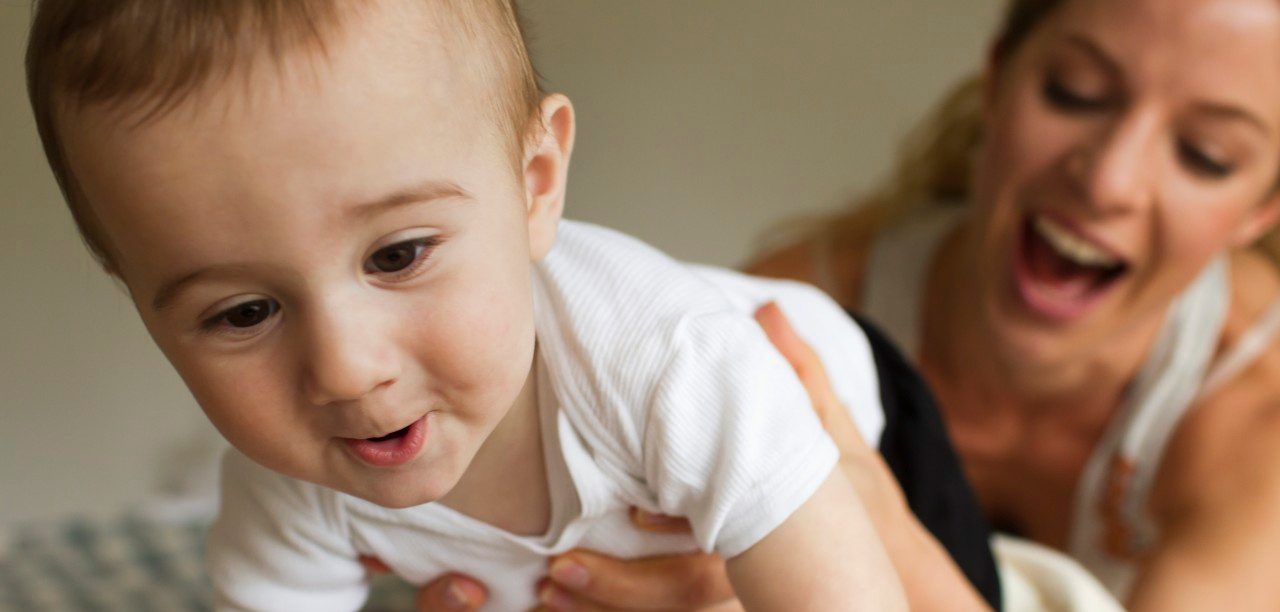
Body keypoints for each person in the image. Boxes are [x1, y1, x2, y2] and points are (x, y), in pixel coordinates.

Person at [25, 0, 910, 610]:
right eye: (244, 313)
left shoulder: (666, 364)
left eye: (397, 256)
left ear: (535, 185)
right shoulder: (290, 483)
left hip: (848, 443)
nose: (345, 369)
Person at [411, 0, 1280, 610]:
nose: (1111, 176)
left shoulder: (1261, 427)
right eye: (1076, 93)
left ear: (1261, 210)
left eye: (1205, 154)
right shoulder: (791, 317)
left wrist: (868, 537)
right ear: (999, 74)